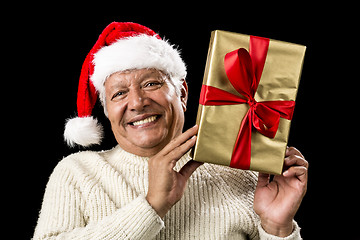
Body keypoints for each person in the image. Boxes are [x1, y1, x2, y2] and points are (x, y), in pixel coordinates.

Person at [33, 22, 308, 239]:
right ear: (106, 111)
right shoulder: (77, 172)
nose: (138, 102)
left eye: (151, 84)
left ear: (183, 93)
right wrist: (152, 205)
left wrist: (277, 227)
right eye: (118, 93)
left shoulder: (239, 172)